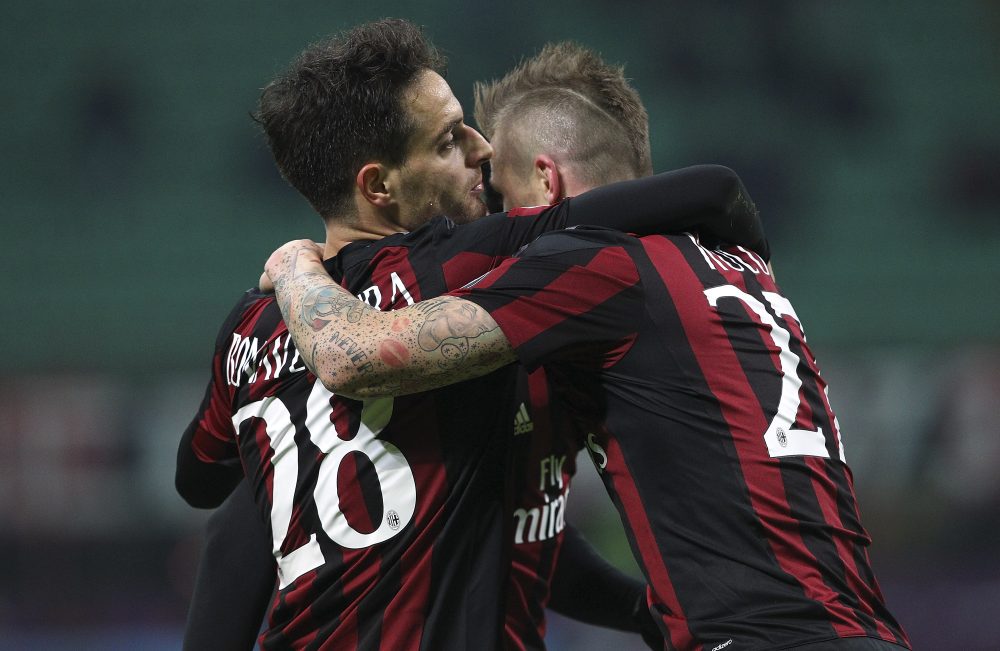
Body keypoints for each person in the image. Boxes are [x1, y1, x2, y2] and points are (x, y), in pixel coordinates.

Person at [261, 61, 911, 651]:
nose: (500, 236)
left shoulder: (592, 264)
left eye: (507, 203)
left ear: (546, 181)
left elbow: (353, 356)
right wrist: (639, 609)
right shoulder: (737, 267)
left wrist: (295, 264)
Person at [176, 19, 767, 650]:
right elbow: (699, 192)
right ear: (380, 186)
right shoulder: (456, 268)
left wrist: (295, 266)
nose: (482, 151)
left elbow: (202, 482)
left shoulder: (250, 323)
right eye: (450, 141)